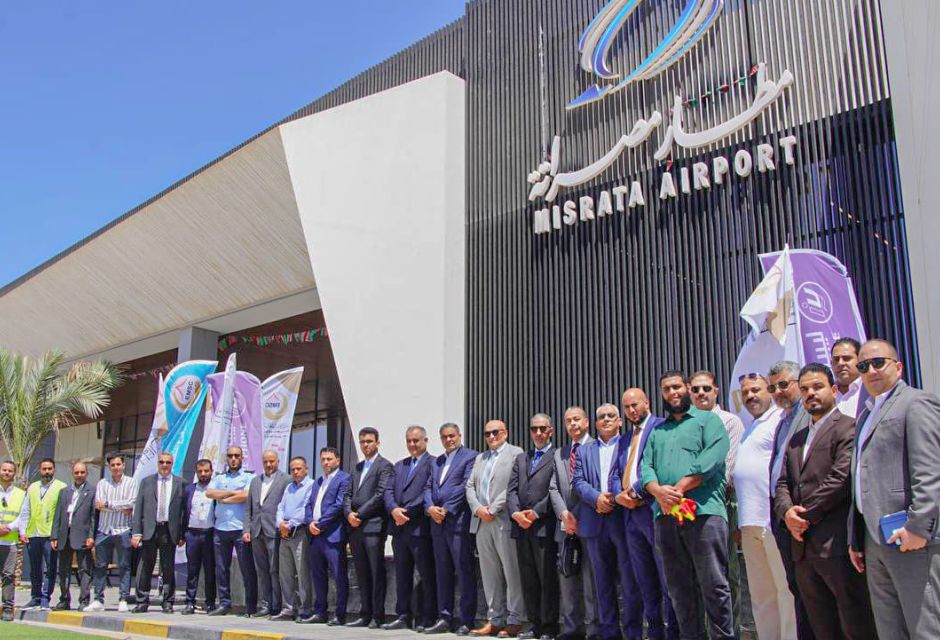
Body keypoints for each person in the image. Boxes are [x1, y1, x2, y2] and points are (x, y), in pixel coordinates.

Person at [773, 364, 876, 640]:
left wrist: (802, 516)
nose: (811, 393)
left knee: (856, 625)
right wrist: (787, 513)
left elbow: (840, 479)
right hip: (803, 550)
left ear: (833, 390)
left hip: (836, 547)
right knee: (822, 629)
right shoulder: (796, 438)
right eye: (805, 389)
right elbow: (782, 483)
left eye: (817, 387)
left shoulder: (848, 427)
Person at [848, 339, 940, 638]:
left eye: (878, 363)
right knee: (890, 630)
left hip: (910, 537)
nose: (871, 371)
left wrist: (918, 527)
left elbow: (930, 472)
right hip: (874, 539)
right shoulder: (865, 414)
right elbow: (860, 478)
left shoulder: (916, 403)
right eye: (863, 366)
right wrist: (856, 537)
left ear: (898, 367)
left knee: (925, 628)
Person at [641, 371, 733, 640]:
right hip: (665, 517)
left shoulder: (708, 420)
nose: (673, 393)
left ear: (688, 388)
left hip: (703, 514)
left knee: (714, 586)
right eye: (667, 389)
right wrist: (658, 491)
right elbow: (646, 467)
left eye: (677, 387)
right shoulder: (658, 431)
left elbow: (713, 457)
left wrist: (679, 487)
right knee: (679, 590)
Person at [572, 404, 641, 640]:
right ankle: (610, 632)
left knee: (629, 581)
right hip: (594, 521)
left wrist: (614, 498)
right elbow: (578, 482)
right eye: (601, 417)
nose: (606, 420)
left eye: (611, 416)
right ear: (595, 423)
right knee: (602, 583)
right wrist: (596, 498)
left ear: (620, 421)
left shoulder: (628, 444)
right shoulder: (584, 450)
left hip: (623, 520)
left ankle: (632, 632)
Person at [736, 373, 796, 640]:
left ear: (769, 391)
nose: (750, 396)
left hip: (771, 520)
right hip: (749, 521)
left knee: (784, 590)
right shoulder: (750, 426)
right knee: (761, 594)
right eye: (745, 392)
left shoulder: (779, 420)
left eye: (756, 390)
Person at [614, 389, 677, 640]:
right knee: (645, 581)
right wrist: (618, 495)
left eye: (635, 405)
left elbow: (661, 467)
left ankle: (673, 633)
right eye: (627, 407)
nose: (631, 410)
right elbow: (615, 473)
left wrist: (636, 492)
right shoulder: (624, 439)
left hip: (653, 511)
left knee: (667, 580)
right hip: (630, 517)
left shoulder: (661, 427)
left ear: (647, 403)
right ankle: (655, 633)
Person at [689, 371, 744, 637]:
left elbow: (724, 469)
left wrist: (687, 482)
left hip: (720, 504)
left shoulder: (729, 422)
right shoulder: (684, 424)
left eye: (706, 388)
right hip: (687, 507)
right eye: (696, 389)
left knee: (725, 573)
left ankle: (729, 632)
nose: (701, 393)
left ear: (716, 391)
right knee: (695, 575)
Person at [766, 361, 815, 640]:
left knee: (812, 590)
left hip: (802, 512)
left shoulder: (808, 415)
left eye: (784, 384)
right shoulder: (783, 420)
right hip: (782, 512)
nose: (778, 392)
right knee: (796, 586)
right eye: (773, 387)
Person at [465, 419, 525, 638]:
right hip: (481, 521)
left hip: (503, 520)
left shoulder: (516, 453)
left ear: (505, 433)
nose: (491, 436)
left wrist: (493, 508)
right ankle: (495, 619)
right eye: (487, 433)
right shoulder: (480, 458)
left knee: (511, 572)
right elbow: (470, 486)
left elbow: (513, 485)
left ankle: (515, 619)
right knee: (489, 574)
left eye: (496, 432)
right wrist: (478, 508)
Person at [507, 413, 560, 640]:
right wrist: (516, 513)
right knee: (528, 578)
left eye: (542, 429)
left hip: (543, 526)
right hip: (521, 526)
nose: (538, 433)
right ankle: (535, 624)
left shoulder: (557, 456)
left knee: (547, 578)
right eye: (534, 429)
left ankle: (549, 627)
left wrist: (536, 512)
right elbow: (511, 490)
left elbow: (555, 490)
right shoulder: (522, 458)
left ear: (551, 431)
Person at [548, 406, 599, 640]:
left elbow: (593, 485)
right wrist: (564, 514)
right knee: (567, 577)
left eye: (577, 419)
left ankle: (594, 629)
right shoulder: (560, 453)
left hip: (590, 523)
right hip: (566, 526)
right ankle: (572, 629)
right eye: (568, 421)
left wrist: (576, 514)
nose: (573, 424)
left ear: (586, 422)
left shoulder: (597, 447)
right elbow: (553, 488)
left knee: (591, 580)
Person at [424, 423, 479, 636]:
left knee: (464, 571)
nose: (449, 440)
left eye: (452, 436)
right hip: (437, 524)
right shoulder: (437, 461)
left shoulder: (470, 457)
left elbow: (465, 486)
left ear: (459, 435)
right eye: (445, 437)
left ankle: (466, 620)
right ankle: (444, 617)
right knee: (442, 571)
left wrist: (446, 509)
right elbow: (428, 487)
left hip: (457, 522)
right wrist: (430, 508)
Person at [383, 426, 437, 631]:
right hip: (399, 530)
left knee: (426, 574)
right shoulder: (399, 465)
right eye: (409, 441)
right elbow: (388, 491)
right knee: (402, 575)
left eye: (416, 440)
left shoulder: (433, 463)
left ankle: (428, 617)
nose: (412, 444)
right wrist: (393, 509)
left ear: (425, 440)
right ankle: (403, 615)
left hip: (419, 528)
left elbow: (428, 492)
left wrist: (404, 512)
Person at [344, 427, 394, 628]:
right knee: (362, 573)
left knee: (375, 572)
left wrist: (359, 514)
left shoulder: (385, 466)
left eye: (369, 441)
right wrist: (348, 513)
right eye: (362, 441)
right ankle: (364, 614)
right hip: (355, 528)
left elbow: (380, 495)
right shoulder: (356, 467)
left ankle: (377, 615)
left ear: (377, 443)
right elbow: (347, 494)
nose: (365, 445)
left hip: (373, 526)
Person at [131, 452, 186, 613]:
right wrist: (136, 532)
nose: (164, 465)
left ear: (172, 464)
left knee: (168, 567)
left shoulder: (180, 483)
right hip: (149, 529)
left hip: (169, 530)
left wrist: (181, 534)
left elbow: (183, 511)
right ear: (158, 463)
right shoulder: (147, 482)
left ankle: (168, 602)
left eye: (168, 462)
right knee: (145, 566)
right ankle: (142, 601)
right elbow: (139, 508)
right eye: (161, 462)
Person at [303, 447, 351, 625]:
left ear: (338, 460)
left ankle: (340, 614)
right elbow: (309, 505)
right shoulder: (318, 481)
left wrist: (320, 524)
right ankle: (320, 612)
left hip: (333, 535)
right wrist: (310, 522)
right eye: (323, 459)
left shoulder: (344, 479)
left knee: (339, 576)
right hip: (315, 536)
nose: (325, 462)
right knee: (318, 575)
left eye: (329, 459)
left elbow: (339, 505)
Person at [206, 446, 256, 616]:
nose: (233, 459)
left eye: (236, 455)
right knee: (221, 569)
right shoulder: (219, 477)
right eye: (230, 456)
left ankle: (250, 606)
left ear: (242, 457)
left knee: (246, 569)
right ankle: (224, 604)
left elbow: (246, 495)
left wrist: (224, 499)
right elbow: (209, 493)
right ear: (226, 458)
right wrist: (233, 492)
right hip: (221, 529)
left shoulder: (249, 476)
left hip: (241, 529)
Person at [88, 452, 138, 612]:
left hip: (123, 529)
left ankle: (123, 598)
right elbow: (99, 505)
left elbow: (131, 504)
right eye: (113, 465)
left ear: (124, 465)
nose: (116, 467)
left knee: (124, 566)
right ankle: (98, 599)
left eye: (118, 464)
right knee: (100, 566)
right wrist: (120, 507)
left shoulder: (131, 482)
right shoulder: (102, 483)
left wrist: (108, 504)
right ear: (109, 467)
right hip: (104, 530)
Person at [244, 450, 290, 618]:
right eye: (265, 462)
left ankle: (276, 606)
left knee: (274, 569)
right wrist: (246, 529)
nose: (269, 464)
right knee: (261, 570)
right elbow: (248, 508)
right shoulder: (255, 481)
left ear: (278, 461)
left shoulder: (286, 480)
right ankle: (265, 604)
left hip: (274, 531)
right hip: (257, 531)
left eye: (272, 461)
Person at [270, 456, 314, 622]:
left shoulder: (311, 485)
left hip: (299, 532)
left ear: (306, 469)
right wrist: (280, 523)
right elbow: (280, 507)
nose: (295, 472)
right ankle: (288, 609)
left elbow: (305, 509)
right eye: (293, 469)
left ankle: (305, 609)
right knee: (285, 573)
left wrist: (289, 525)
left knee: (302, 573)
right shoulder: (289, 487)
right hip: (284, 533)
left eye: (298, 469)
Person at [20, 458, 66, 611]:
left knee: (50, 568)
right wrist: (23, 531)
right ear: (40, 470)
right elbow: (26, 510)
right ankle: (35, 597)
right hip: (33, 534)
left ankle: (45, 599)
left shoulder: (61, 487)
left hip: (50, 536)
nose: (47, 471)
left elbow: (63, 514)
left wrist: (57, 535)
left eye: (50, 469)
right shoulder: (32, 487)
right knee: (35, 568)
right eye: (44, 469)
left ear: (54, 470)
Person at [50, 462, 96, 612]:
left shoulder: (92, 491)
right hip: (64, 535)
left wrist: (91, 536)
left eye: (82, 472)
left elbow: (94, 517)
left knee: (85, 570)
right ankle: (64, 600)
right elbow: (57, 515)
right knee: (63, 570)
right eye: (76, 472)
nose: (79, 475)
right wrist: (54, 536)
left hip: (82, 536)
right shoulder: (64, 492)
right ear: (72, 474)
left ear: (86, 473)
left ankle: (84, 600)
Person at [182, 458, 217, 615]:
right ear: (196, 472)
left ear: (211, 472)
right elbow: (183, 511)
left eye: (206, 471)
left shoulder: (216, 489)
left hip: (209, 534)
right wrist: (182, 534)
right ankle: (190, 602)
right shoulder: (189, 489)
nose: (203, 474)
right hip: (192, 534)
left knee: (210, 570)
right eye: (200, 471)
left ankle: (210, 603)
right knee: (192, 570)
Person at [0, 461, 26, 620]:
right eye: (4, 470)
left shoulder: (20, 494)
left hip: (10, 542)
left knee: (9, 576)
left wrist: (8, 528)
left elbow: (22, 516)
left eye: (10, 471)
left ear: (14, 474)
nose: (7, 473)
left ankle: (8, 608)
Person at [831, 338, 865, 419]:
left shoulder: (870, 391)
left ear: (860, 360)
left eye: (846, 358)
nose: (840, 363)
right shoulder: (827, 393)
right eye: (836, 359)